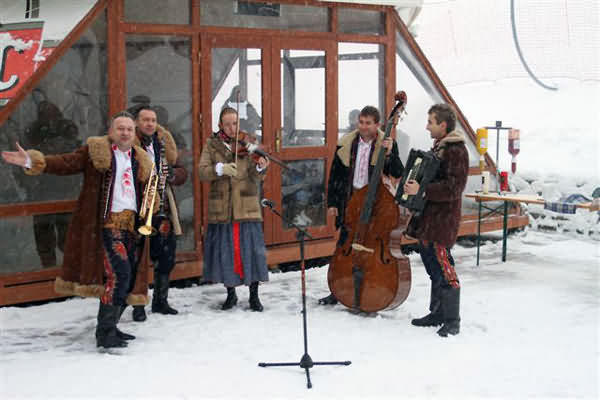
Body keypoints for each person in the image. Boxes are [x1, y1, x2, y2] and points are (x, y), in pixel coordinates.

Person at [1, 111, 155, 349]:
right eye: (120, 128)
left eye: (129, 129)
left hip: (132, 228)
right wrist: (32, 161)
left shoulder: (140, 159)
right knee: (119, 275)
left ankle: (111, 326)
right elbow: (65, 163)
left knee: (130, 278)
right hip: (107, 226)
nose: (125, 133)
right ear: (111, 131)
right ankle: (105, 332)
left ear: (134, 132)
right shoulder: (96, 151)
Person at [319, 105, 404, 305]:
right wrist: (332, 202)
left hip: (374, 203)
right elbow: (335, 175)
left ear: (377, 124)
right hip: (350, 200)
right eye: (361, 122)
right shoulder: (346, 143)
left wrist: (390, 154)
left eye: (368, 123)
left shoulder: (386, 143)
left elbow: (397, 172)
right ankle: (338, 290)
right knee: (345, 245)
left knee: (370, 246)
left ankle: (371, 286)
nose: (363, 126)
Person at [403, 103, 469, 337]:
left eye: (431, 122)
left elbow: (454, 188)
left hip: (442, 221)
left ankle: (452, 320)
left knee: (444, 267)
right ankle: (438, 313)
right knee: (434, 268)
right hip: (430, 219)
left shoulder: (456, 150)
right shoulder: (441, 147)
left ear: (443, 124)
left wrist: (422, 189)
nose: (427, 127)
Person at [198, 107, 269, 311]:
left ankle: (254, 296)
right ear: (220, 125)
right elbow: (202, 171)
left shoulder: (249, 143)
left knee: (251, 251)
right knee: (226, 251)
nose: (232, 128)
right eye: (227, 124)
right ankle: (231, 294)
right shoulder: (211, 144)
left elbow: (256, 177)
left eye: (235, 123)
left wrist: (260, 167)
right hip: (223, 206)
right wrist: (220, 169)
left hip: (246, 204)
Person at [130, 106, 188, 322]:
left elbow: (182, 171)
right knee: (139, 260)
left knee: (166, 255)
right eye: (145, 120)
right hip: (140, 208)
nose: (150, 124)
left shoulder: (162, 142)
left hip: (163, 207)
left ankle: (160, 301)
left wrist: (172, 174)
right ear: (137, 122)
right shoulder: (131, 145)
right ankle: (138, 305)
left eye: (153, 120)